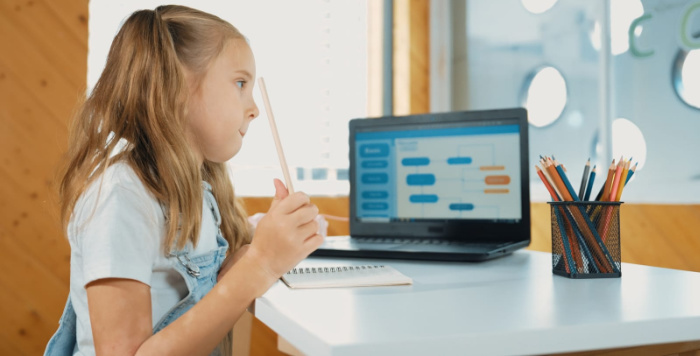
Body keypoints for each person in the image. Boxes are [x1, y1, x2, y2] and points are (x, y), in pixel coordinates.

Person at [44, 5, 323, 355]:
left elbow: (196, 299)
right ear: (175, 87)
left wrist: (251, 256)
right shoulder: (122, 197)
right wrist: (260, 265)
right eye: (240, 83)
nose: (254, 108)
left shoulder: (196, 194)